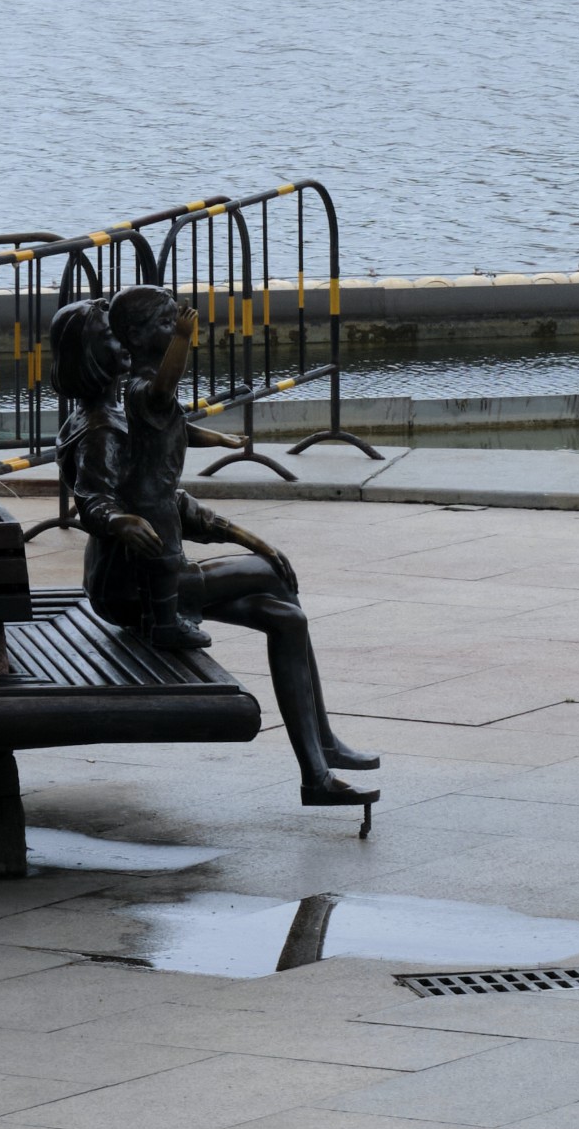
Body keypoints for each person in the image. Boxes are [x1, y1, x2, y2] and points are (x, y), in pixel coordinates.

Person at [52, 283, 378, 812]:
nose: (122, 346)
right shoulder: (101, 427)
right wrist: (119, 521)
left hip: (150, 572)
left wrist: (248, 536)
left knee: (286, 617)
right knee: (272, 577)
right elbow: (99, 498)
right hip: (136, 585)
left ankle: (320, 762)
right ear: (98, 352)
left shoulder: (117, 416)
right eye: (112, 337)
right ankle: (320, 758)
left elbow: (165, 492)